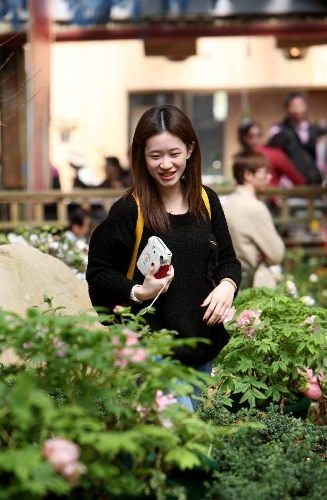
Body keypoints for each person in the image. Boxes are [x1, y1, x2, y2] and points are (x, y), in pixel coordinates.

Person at [86, 104, 241, 411]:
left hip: (201, 343)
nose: (166, 164)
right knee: (180, 431)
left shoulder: (206, 200)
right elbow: (99, 272)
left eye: (174, 153)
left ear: (190, 150)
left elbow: (228, 260)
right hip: (153, 348)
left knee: (180, 444)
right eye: (155, 155)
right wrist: (138, 292)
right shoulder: (130, 210)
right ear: (141, 156)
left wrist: (227, 286)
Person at [222, 151, 285, 290]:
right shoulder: (255, 208)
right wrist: (263, 253)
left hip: (230, 282)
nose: (269, 177)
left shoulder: (227, 204)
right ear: (248, 175)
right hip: (255, 286)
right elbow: (276, 254)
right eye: (265, 172)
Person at [268, 92, 324, 185]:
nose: (297, 110)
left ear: (306, 106)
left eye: (300, 105)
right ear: (287, 108)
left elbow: (319, 157)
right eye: (293, 106)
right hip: (291, 185)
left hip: (314, 182)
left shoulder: (313, 130)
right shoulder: (278, 131)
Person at [238, 120, 306, 188]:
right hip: (268, 195)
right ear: (244, 137)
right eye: (252, 136)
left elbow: (295, 177)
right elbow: (297, 179)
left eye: (258, 135)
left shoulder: (240, 157)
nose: (255, 139)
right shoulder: (274, 153)